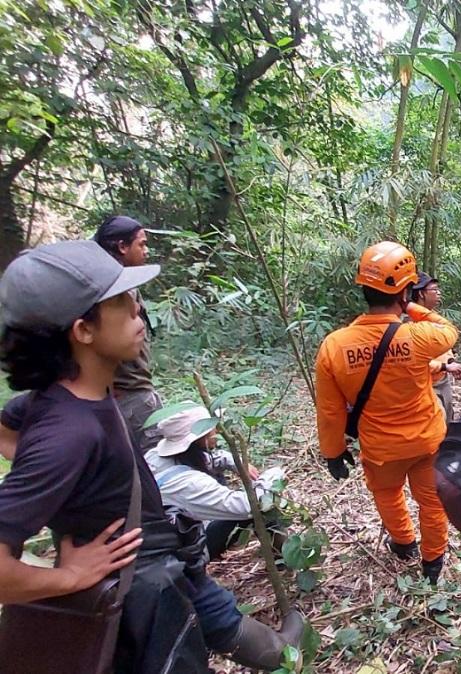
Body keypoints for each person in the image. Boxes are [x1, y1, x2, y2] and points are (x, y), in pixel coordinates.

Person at [0, 240, 303, 671]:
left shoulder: (67, 397)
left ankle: (281, 652)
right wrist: (67, 577)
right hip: (136, 586)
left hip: (162, 558)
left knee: (213, 619)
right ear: (83, 330)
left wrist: (70, 494)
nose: (138, 310)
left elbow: (9, 430)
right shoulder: (67, 433)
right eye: (122, 301)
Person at [314, 242, 458, 584]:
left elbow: (330, 411)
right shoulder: (418, 336)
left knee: (388, 495)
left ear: (363, 289)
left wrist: (333, 452)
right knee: (432, 502)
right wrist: (413, 308)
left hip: (380, 448)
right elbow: (449, 331)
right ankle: (433, 560)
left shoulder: (334, 346)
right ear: (405, 292)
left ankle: (405, 543)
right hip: (426, 440)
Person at [147, 406, 287, 561]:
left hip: (168, 539)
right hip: (186, 553)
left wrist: (236, 462)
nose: (218, 432)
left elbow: (210, 459)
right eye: (212, 429)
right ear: (201, 438)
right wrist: (274, 475)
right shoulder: (189, 484)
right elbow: (249, 505)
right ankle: (283, 558)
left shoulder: (154, 457)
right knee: (262, 506)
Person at [94, 215, 163, 452]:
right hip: (129, 396)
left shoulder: (125, 284)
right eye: (141, 244)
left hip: (136, 391)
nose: (146, 250)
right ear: (122, 247)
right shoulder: (110, 289)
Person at [410, 273, 461, 421]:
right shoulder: (408, 324)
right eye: (434, 290)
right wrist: (444, 367)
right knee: (436, 424)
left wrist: (451, 362)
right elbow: (413, 361)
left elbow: (444, 347)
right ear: (421, 293)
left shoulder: (433, 317)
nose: (439, 293)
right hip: (425, 385)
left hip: (443, 380)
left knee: (448, 421)